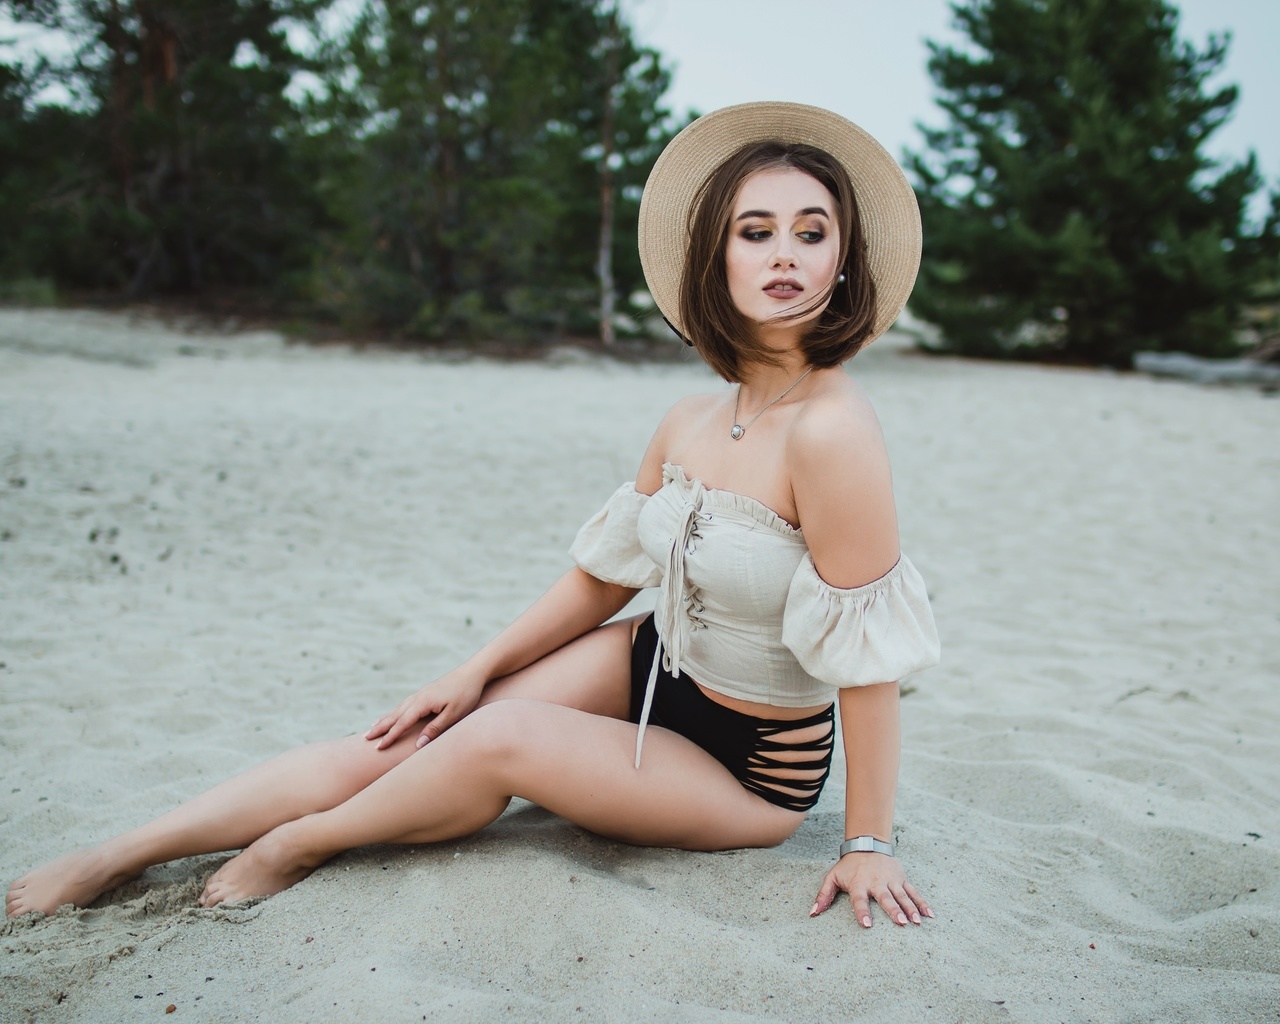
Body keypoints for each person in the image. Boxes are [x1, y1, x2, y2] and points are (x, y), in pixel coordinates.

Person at [7, 102, 940, 930]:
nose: (784, 253)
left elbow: (869, 662)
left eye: (811, 232)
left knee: (496, 743)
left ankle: (306, 842)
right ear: (716, 255)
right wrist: (475, 667)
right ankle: (123, 852)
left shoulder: (834, 434)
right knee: (417, 733)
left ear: (843, 258)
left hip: (752, 760)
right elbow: (603, 578)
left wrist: (868, 839)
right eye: (756, 230)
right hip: (653, 663)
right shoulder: (690, 417)